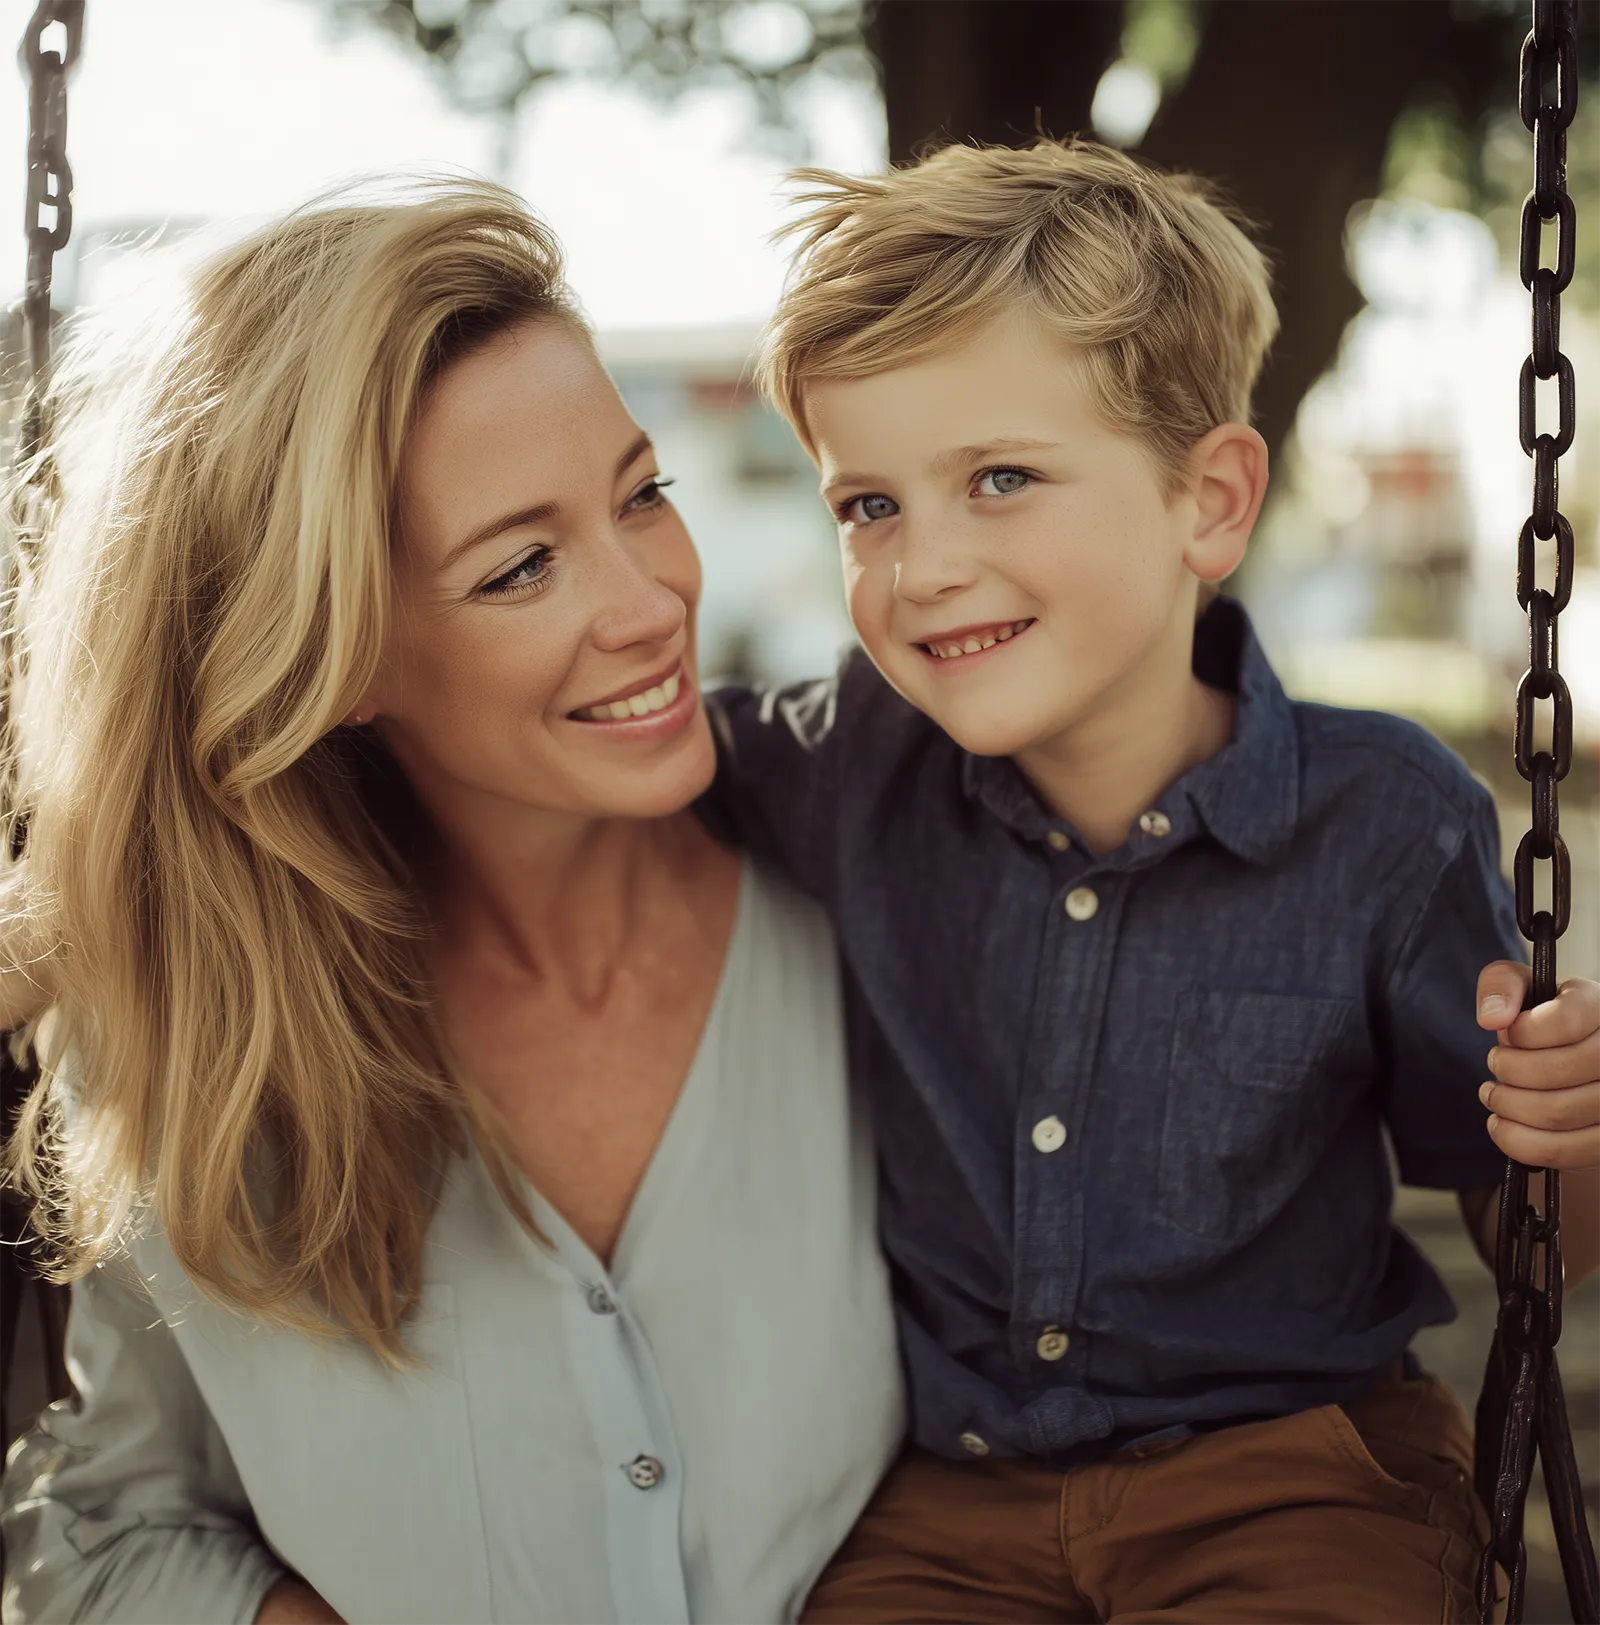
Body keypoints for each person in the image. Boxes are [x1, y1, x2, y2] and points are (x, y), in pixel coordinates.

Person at [699, 138, 1600, 1623]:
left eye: (999, 479)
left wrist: (1564, 1135)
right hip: (944, 1500)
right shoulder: (848, 766)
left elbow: (1529, 1235)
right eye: (870, 506)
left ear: (1211, 502)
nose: (922, 568)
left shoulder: (1385, 823)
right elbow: (594, 764)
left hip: (1293, 1475)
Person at [0, 179, 903, 1625]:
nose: (651, 599)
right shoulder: (191, 1056)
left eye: (642, 494)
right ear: (332, 657)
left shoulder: (885, 928)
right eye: (524, 565)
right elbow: (102, 1532)